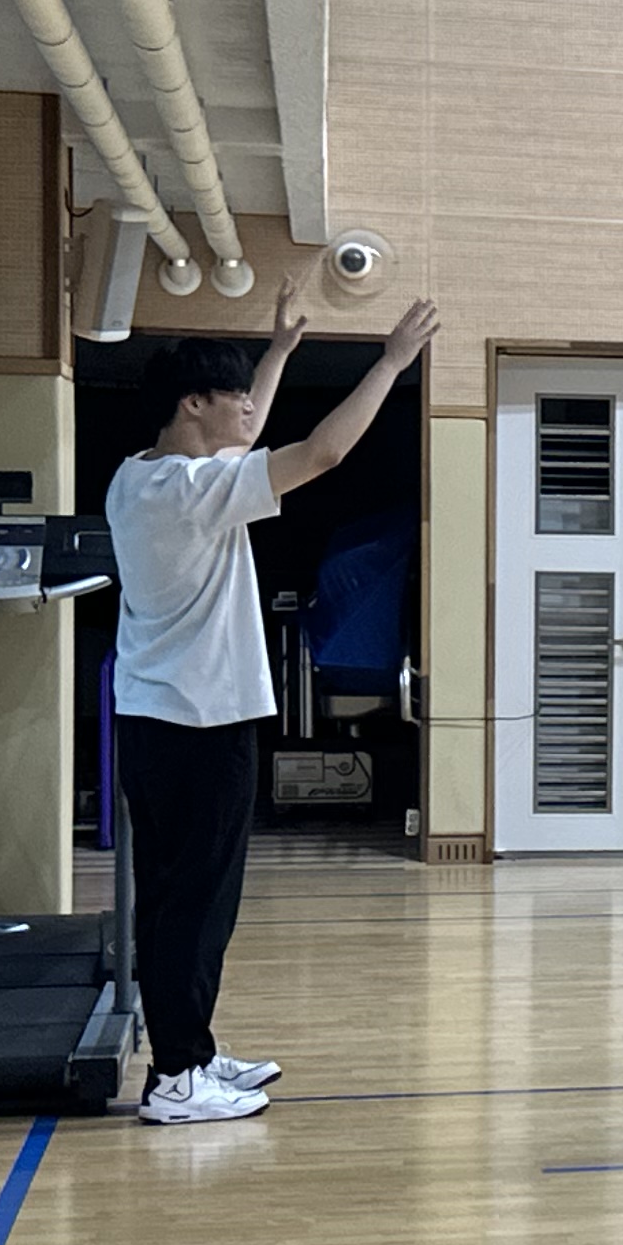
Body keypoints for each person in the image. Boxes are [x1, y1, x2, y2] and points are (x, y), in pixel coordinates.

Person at [108, 286, 438, 1126]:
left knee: (181, 896)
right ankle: (178, 1078)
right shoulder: (192, 490)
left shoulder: (141, 476)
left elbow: (246, 442)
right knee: (195, 903)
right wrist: (392, 363)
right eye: (235, 394)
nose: (249, 408)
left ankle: (190, 1048)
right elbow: (322, 453)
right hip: (198, 723)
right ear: (193, 404)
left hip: (160, 717)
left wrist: (280, 351)